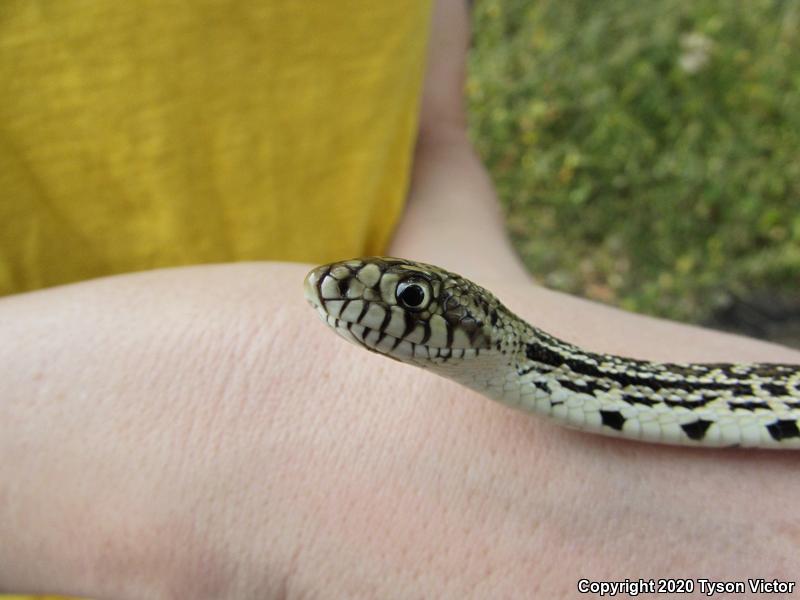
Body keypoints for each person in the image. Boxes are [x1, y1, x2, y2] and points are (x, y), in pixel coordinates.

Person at [2, 2, 799, 598]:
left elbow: (435, 148)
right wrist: (235, 424)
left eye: (412, 298)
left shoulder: (510, 350)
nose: (333, 289)